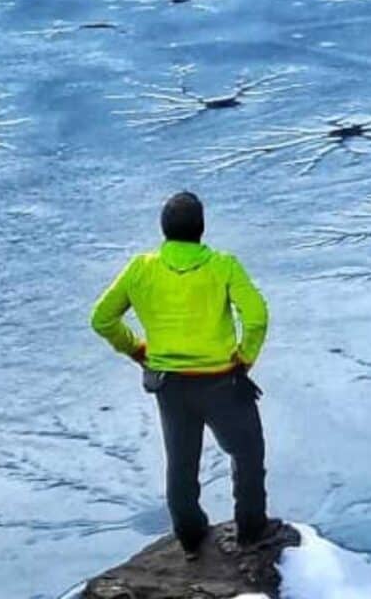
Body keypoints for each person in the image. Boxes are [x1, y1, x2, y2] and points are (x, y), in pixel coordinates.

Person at [91, 191, 276, 556]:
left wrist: (137, 349)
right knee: (248, 452)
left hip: (169, 384)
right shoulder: (223, 265)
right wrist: (245, 359)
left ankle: (190, 537)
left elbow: (101, 319)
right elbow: (256, 316)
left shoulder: (141, 268)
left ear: (164, 229)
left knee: (181, 461)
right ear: (202, 229)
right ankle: (252, 530)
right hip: (222, 380)